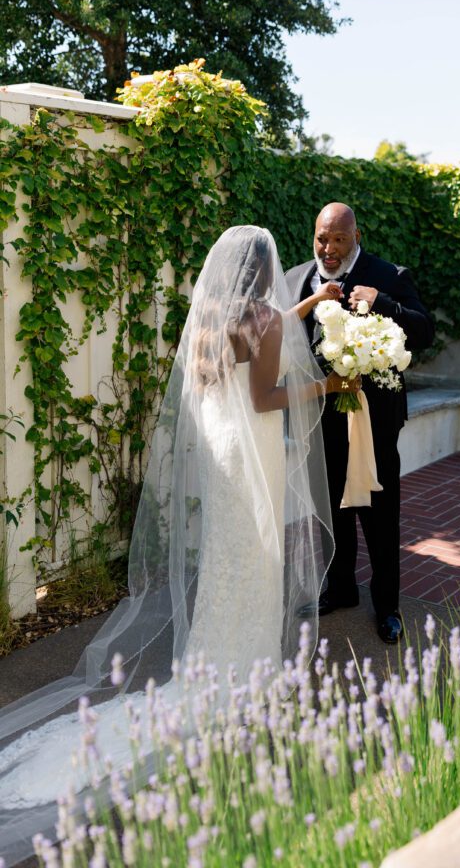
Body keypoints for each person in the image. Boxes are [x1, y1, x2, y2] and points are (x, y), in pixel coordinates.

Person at [0, 225, 349, 866]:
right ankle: (241, 671)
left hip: (221, 461)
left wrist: (303, 308)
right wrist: (329, 386)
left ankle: (211, 660)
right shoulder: (265, 321)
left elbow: (242, 369)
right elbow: (267, 396)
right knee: (256, 557)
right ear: (265, 271)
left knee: (227, 556)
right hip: (256, 456)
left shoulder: (213, 316)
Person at [286, 203, 435, 645]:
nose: (328, 249)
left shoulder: (389, 274)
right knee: (331, 507)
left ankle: (388, 606)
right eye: (321, 239)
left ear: (356, 236)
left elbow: (425, 332)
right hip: (320, 415)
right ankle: (341, 588)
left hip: (375, 420)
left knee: (379, 513)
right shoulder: (298, 280)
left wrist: (382, 303)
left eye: (338, 240)